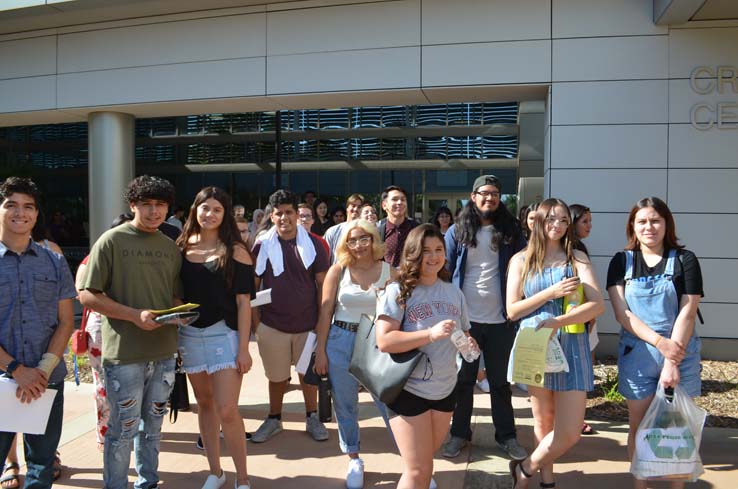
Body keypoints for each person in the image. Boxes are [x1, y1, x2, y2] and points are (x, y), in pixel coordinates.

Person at [78, 175, 182, 489]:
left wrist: (180, 313)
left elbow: (174, 295)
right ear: (133, 205)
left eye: (160, 205)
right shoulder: (111, 240)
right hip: (124, 356)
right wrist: (134, 316)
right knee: (122, 429)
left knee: (153, 428)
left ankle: (148, 481)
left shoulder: (169, 246)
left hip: (164, 352)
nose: (154, 211)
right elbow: (87, 294)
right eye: (147, 204)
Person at [506, 198, 604, 489]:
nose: (557, 225)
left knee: (570, 431)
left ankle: (526, 467)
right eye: (551, 219)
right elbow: (512, 310)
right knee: (543, 420)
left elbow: (597, 305)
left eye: (563, 220)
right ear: (538, 222)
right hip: (535, 344)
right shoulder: (521, 260)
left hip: (572, 343)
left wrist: (557, 322)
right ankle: (546, 481)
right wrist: (551, 293)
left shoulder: (577, 259)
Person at [607, 197, 702, 489]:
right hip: (638, 353)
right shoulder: (621, 261)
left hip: (680, 350)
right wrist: (660, 343)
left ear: (666, 224)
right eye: (642, 221)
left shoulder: (686, 259)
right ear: (633, 226)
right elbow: (622, 314)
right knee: (640, 425)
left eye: (656, 220)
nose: (649, 227)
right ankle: (641, 485)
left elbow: (688, 309)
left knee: (677, 426)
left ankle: (676, 484)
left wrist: (671, 359)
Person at [375, 224, 476, 489]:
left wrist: (468, 343)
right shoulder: (398, 291)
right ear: (412, 254)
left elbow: (464, 331)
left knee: (424, 465)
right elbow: (384, 340)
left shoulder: (454, 292)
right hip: (408, 389)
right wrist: (430, 334)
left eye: (438, 250)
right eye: (425, 251)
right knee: (418, 470)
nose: (433, 257)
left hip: (444, 389)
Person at [442, 175, 528, 461]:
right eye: (483, 193)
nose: (489, 198)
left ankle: (506, 436)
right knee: (463, 381)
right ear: (473, 196)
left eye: (494, 193)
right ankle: (459, 433)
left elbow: (525, 269)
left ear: (499, 198)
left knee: (501, 383)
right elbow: (445, 271)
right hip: (466, 322)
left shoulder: (512, 231)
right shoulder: (457, 231)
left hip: (501, 320)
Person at [0, 177, 76, 489]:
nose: (21, 212)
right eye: (11, 205)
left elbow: (66, 322)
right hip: (2, 380)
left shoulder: (54, 261)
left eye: (28, 206)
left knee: (41, 469)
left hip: (47, 381)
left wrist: (40, 371)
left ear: (36, 213)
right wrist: (16, 370)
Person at [177, 187, 254, 489]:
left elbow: (244, 302)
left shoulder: (236, 250)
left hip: (225, 334)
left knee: (227, 409)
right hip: (190, 335)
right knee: (204, 405)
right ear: (195, 210)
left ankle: (243, 478)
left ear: (225, 215)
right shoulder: (181, 247)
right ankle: (216, 472)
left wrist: (245, 349)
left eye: (217, 209)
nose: (209, 214)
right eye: (204, 208)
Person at [314, 219, 394, 489]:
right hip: (340, 339)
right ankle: (354, 458)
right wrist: (321, 350)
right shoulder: (338, 270)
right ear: (345, 244)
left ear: (373, 240)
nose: (358, 245)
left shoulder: (389, 271)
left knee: (388, 402)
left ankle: (413, 459)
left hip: (376, 340)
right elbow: (325, 311)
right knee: (345, 403)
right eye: (352, 240)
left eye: (364, 238)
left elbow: (399, 312)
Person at [250, 190, 330, 443]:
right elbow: (253, 285)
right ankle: (274, 419)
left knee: (308, 375)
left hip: (307, 324)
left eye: (288, 212)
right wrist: (257, 325)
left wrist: (320, 323)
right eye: (279, 213)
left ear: (297, 214)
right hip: (271, 325)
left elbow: (322, 285)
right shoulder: (262, 245)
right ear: (271, 216)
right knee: (276, 377)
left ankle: (312, 417)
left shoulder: (314, 244)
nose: (284, 217)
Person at [74, 214, 133, 457]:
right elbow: (82, 293)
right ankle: (105, 431)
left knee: (133, 383)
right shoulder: (93, 260)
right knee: (104, 384)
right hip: (101, 330)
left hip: (132, 329)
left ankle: (129, 429)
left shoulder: (137, 261)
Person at [570, 203, 597, 435]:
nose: (589, 226)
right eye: (584, 221)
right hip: (571, 317)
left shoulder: (581, 249)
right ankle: (575, 418)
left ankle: (578, 416)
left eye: (590, 221)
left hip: (584, 313)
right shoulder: (571, 249)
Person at [377, 185, 418, 268]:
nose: (400, 202)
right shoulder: (378, 231)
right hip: (387, 278)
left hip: (411, 278)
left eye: (403, 199)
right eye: (395, 199)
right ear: (384, 205)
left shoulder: (416, 229)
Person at [323, 194, 365, 261]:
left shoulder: (366, 232)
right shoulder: (332, 231)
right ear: (347, 208)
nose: (356, 209)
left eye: (359, 207)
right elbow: (324, 257)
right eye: (353, 206)